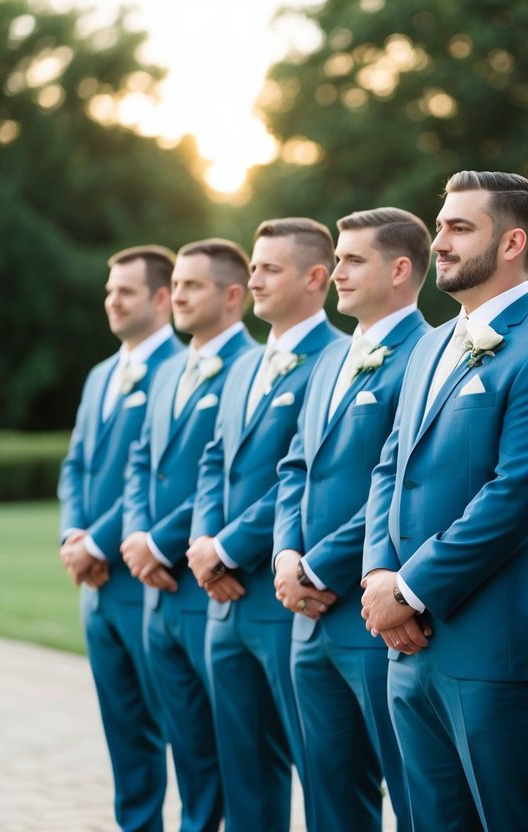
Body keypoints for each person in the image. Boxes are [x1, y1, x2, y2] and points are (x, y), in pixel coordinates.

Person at [360, 171, 528, 831]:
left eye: (459, 228)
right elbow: (391, 466)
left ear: (511, 243)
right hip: (408, 649)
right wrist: (378, 574)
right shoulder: (429, 344)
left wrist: (412, 588)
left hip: (491, 653)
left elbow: (516, 491)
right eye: (440, 226)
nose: (439, 243)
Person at [272, 207, 431, 832]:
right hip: (308, 621)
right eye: (337, 259)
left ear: (399, 270)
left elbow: (398, 485)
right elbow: (295, 466)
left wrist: (317, 567)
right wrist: (286, 554)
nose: (336, 271)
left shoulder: (425, 355)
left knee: (412, 797)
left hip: (371, 615)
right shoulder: (331, 359)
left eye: (352, 260)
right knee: (328, 800)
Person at [185, 218, 343, 831]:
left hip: (285, 599)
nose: (254, 280)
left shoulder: (335, 359)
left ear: (315, 278)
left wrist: (227, 548)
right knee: (244, 773)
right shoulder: (245, 365)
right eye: (253, 267)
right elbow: (213, 460)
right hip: (223, 604)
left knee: (321, 773)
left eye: (269, 269)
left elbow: (300, 476)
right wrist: (203, 543)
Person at [121, 238, 255, 832]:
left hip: (210, 587)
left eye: (192, 285)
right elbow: (140, 461)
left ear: (232, 295)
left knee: (239, 756)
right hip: (157, 593)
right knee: (189, 752)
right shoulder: (168, 369)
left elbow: (226, 478)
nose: (177, 294)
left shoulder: (252, 365)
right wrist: (136, 538)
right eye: (175, 283)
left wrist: (160, 543)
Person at [58, 244, 181, 832]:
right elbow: (76, 464)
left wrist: (97, 545)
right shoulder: (98, 375)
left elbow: (156, 478)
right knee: (124, 734)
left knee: (185, 734)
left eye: (125, 291)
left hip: (147, 579)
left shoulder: (182, 369)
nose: (112, 300)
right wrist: (72, 536)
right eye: (110, 291)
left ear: (161, 299)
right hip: (97, 588)